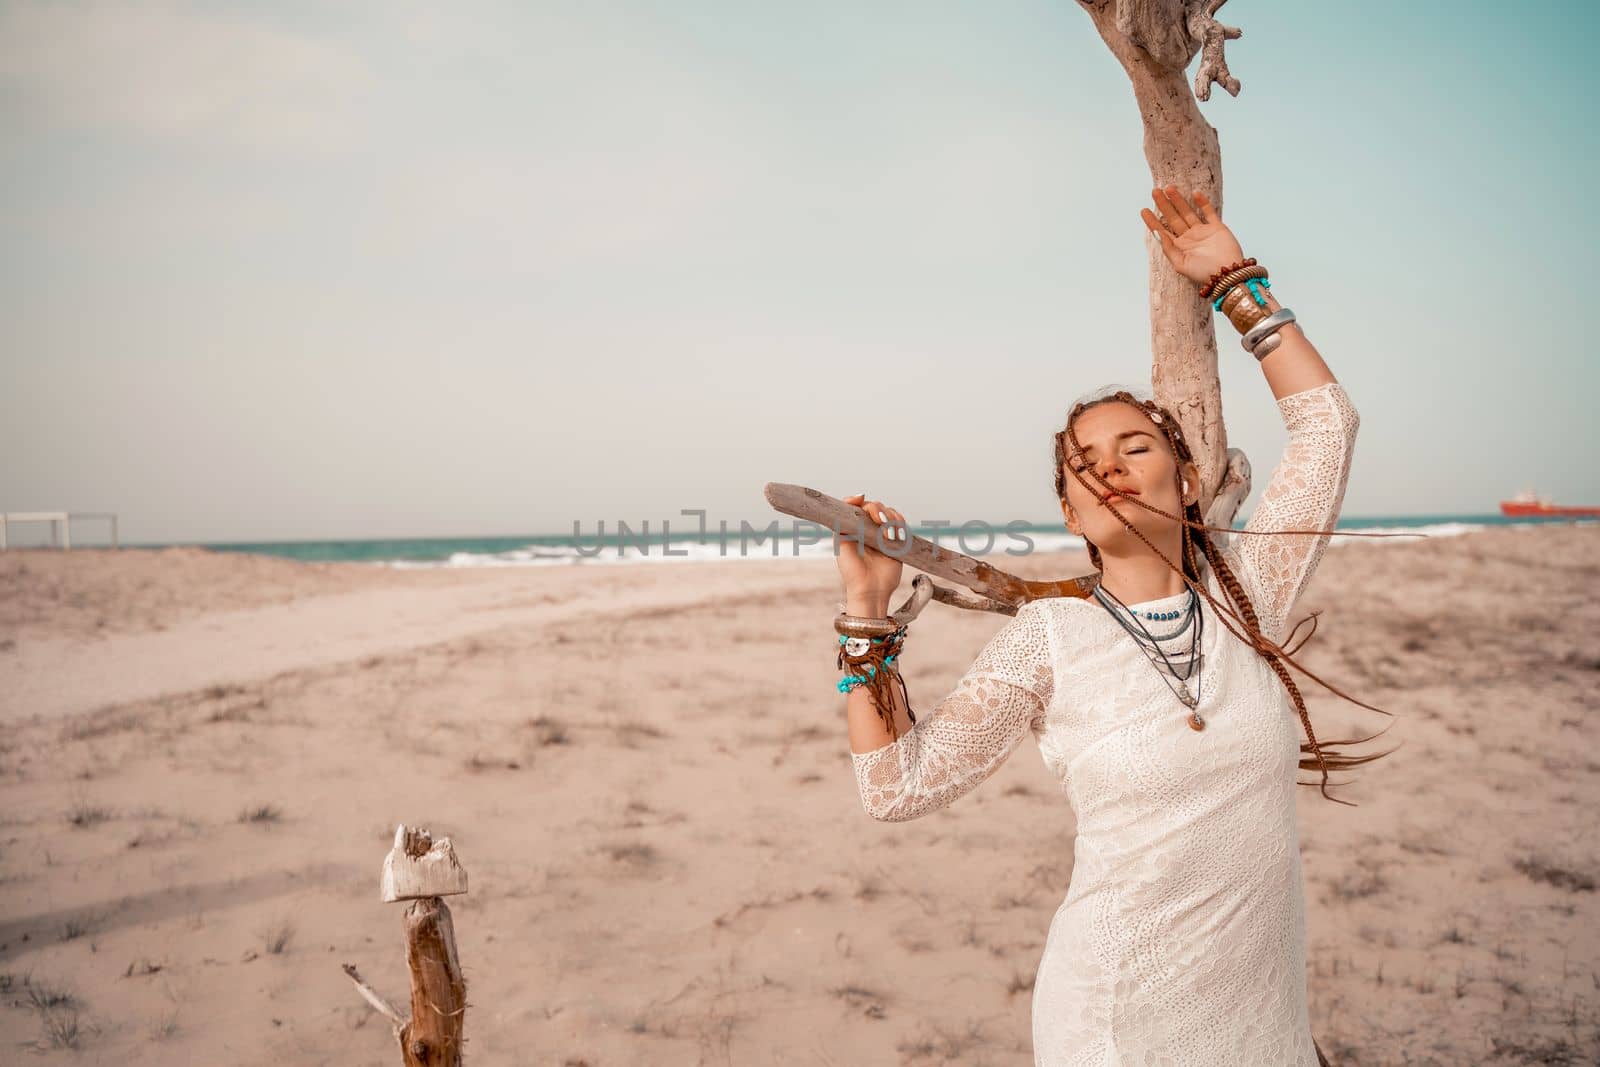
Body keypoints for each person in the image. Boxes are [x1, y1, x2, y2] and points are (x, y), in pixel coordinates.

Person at [831, 185, 1391, 1065]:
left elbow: (1327, 425)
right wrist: (865, 619)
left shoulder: (1249, 591)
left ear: (1189, 478)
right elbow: (896, 787)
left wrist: (1236, 284)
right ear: (1068, 512)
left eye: (1134, 446)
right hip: (1117, 1023)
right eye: (1082, 465)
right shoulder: (1050, 637)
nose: (1110, 469)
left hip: (1263, 1020)